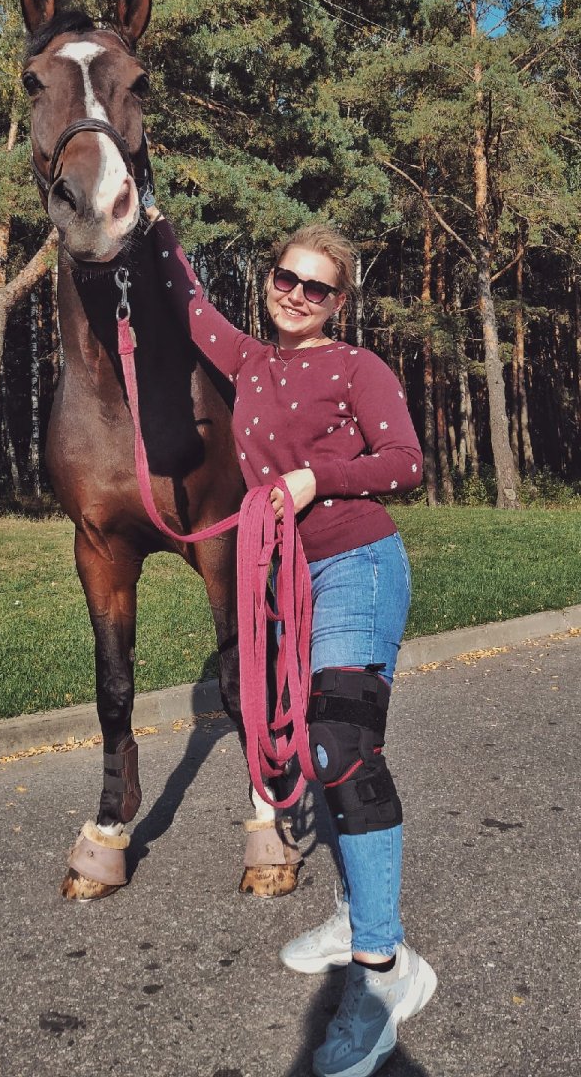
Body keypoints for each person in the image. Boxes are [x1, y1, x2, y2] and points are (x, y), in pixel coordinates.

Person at [145, 206, 436, 1077]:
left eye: (318, 287)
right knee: (310, 750)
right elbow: (190, 306)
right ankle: (353, 915)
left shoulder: (357, 367)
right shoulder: (249, 361)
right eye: (287, 278)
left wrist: (317, 478)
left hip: (359, 562)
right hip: (288, 579)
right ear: (268, 280)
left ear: (338, 302)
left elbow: (406, 461)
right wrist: (156, 228)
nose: (298, 294)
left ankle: (383, 969)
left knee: (343, 745)